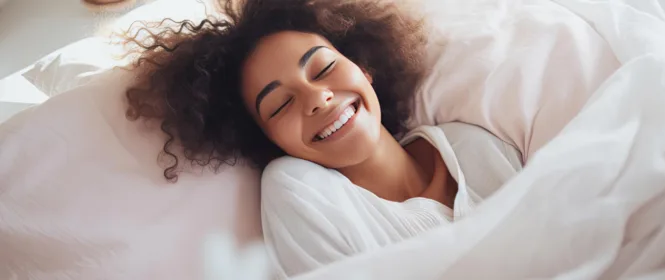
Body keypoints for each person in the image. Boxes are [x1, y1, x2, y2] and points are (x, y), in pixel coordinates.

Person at [123, 0, 523, 277]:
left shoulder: (476, 146)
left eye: (323, 68)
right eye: (280, 105)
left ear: (364, 67)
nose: (317, 98)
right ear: (269, 139)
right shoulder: (297, 188)